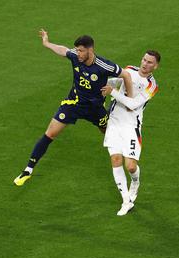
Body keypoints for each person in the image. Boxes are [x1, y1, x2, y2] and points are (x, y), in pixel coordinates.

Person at [13, 30, 134, 186]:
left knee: (109, 135)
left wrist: (129, 100)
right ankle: (28, 169)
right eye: (77, 50)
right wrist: (47, 43)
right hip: (73, 104)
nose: (78, 53)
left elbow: (126, 75)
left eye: (81, 50)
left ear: (91, 50)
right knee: (50, 133)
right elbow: (63, 50)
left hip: (95, 109)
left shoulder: (103, 65)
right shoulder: (76, 57)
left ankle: (127, 156)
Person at [101, 50, 160, 216]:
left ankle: (135, 182)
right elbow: (112, 83)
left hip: (131, 126)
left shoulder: (152, 86)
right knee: (115, 159)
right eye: (144, 59)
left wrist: (112, 93)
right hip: (114, 122)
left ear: (155, 66)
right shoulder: (128, 70)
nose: (145, 64)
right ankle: (126, 201)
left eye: (149, 62)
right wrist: (108, 86)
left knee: (131, 166)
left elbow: (133, 105)